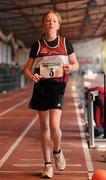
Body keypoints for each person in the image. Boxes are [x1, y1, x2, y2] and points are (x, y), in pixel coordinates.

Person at [24, 10, 79, 178]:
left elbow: (75, 64)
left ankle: (57, 150)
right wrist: (32, 76)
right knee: (44, 127)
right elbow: (27, 69)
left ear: (58, 25)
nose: (51, 23)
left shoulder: (65, 42)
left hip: (57, 87)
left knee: (55, 126)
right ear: (44, 24)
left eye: (54, 20)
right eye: (48, 20)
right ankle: (47, 165)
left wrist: (71, 67)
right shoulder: (37, 45)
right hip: (41, 87)